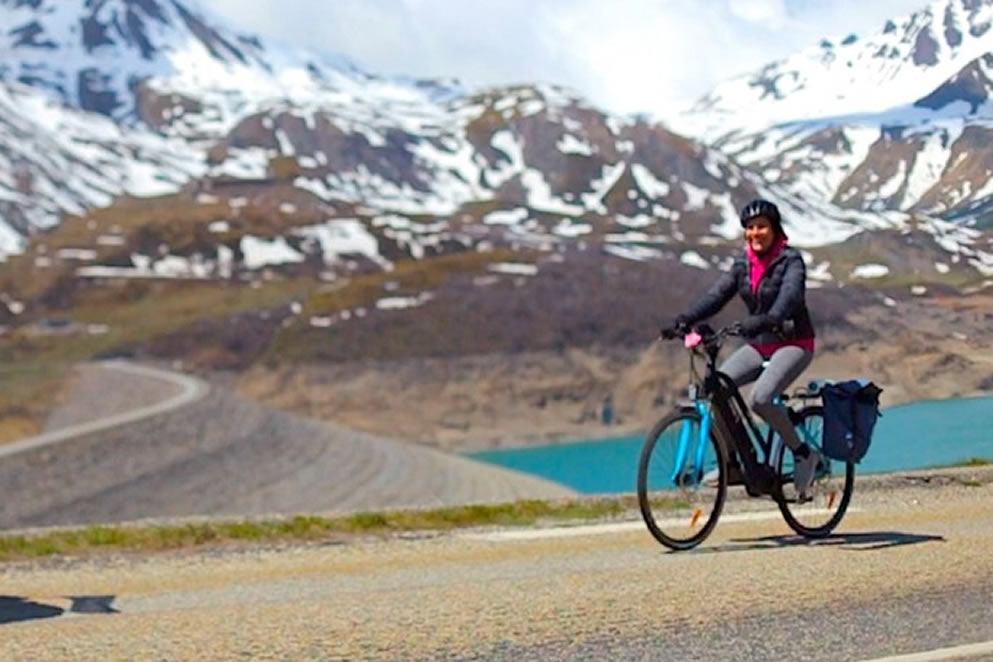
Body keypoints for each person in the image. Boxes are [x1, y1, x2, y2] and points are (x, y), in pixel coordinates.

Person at [660, 198, 820, 497]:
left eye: (761, 227)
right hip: (760, 344)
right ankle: (733, 464)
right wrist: (685, 319)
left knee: (761, 398)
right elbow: (717, 295)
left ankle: (802, 453)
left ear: (774, 229)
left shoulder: (790, 260)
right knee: (717, 389)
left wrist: (770, 319)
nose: (754, 233)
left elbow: (791, 295)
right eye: (749, 228)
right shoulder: (743, 264)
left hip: (793, 342)